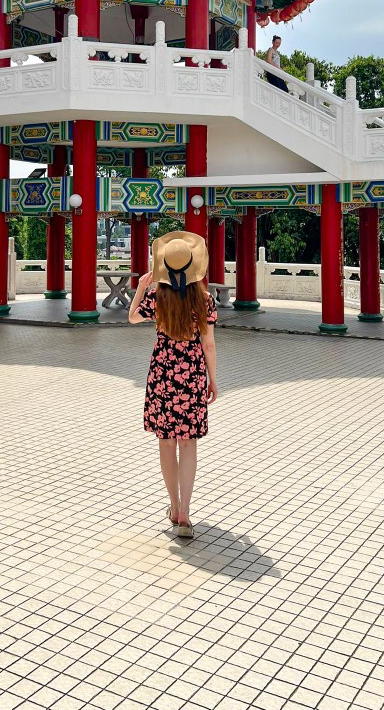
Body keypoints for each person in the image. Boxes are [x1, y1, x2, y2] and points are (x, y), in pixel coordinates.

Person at [128, 231, 218, 539]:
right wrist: (212, 379)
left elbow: (132, 318)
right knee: (188, 443)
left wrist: (142, 287)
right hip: (191, 374)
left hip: (163, 373)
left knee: (166, 442)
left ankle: (174, 505)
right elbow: (209, 344)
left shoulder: (157, 298)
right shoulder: (205, 300)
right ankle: (185, 515)